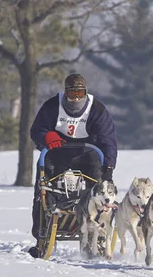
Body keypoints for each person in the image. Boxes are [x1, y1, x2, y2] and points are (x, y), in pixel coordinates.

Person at [28, 73, 118, 257]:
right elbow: (37, 129)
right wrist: (47, 136)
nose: (76, 97)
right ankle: (41, 236)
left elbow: (108, 140)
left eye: (80, 93)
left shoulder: (96, 110)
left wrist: (108, 168)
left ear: (85, 92)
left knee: (98, 188)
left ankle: (96, 233)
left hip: (87, 154)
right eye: (72, 93)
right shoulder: (53, 106)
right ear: (66, 92)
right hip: (56, 153)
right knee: (44, 190)